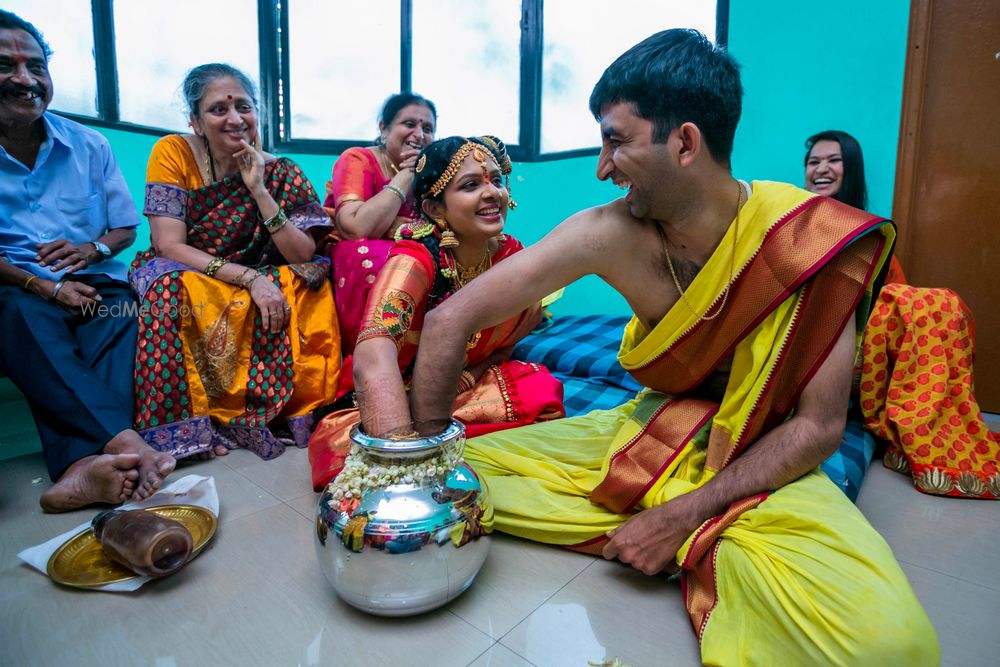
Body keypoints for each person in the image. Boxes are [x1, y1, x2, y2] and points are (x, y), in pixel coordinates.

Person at [407, 30, 939, 664]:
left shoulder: (810, 242)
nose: (602, 167)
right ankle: (690, 528)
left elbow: (820, 428)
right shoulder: (607, 233)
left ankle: (681, 525)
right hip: (648, 430)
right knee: (458, 477)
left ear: (685, 142)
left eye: (615, 141)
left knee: (892, 646)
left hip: (763, 454)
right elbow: (447, 324)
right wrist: (418, 476)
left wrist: (683, 514)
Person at [308, 135, 563, 490]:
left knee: (539, 389)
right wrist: (402, 455)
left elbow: (507, 344)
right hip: (395, 392)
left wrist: (467, 377)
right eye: (471, 185)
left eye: (497, 180)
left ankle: (448, 441)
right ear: (435, 209)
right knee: (347, 450)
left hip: (462, 386)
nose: (493, 194)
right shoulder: (417, 257)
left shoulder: (510, 255)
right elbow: (374, 351)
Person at [0, 11, 175, 511]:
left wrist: (92, 249)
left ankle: (82, 467)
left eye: (36, 66)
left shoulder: (87, 144)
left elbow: (124, 229)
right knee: (22, 317)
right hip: (17, 287)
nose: (25, 80)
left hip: (92, 279)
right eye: (5, 66)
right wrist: (45, 287)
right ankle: (122, 444)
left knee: (118, 314)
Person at [132, 63, 340, 460]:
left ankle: (277, 411)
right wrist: (248, 279)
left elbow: (303, 252)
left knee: (306, 281)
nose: (234, 119)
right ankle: (186, 429)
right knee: (169, 287)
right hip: (194, 269)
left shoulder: (282, 171)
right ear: (195, 121)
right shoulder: (174, 153)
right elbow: (168, 244)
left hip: (259, 269)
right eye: (218, 110)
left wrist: (259, 190)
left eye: (243, 107)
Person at [325, 93, 437, 353]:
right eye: (409, 124)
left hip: (412, 247)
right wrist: (407, 174)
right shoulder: (357, 159)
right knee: (382, 260)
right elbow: (356, 229)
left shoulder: (433, 171)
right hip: (354, 249)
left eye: (428, 128)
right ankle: (376, 355)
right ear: (384, 128)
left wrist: (395, 224)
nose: (419, 134)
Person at [804, 129, 907, 283]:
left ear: (853, 170)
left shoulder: (872, 243)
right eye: (814, 162)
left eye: (833, 160)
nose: (821, 169)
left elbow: (894, 300)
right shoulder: (788, 230)